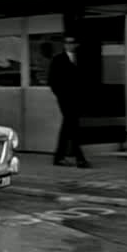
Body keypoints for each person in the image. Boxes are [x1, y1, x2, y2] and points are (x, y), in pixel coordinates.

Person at [48, 35, 91, 168]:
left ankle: (59, 157)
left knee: (68, 127)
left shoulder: (80, 59)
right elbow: (52, 80)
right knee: (72, 126)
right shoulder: (58, 59)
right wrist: (60, 94)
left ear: (76, 44)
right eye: (67, 43)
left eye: (72, 43)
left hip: (76, 99)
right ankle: (80, 158)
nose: (69, 45)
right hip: (65, 98)